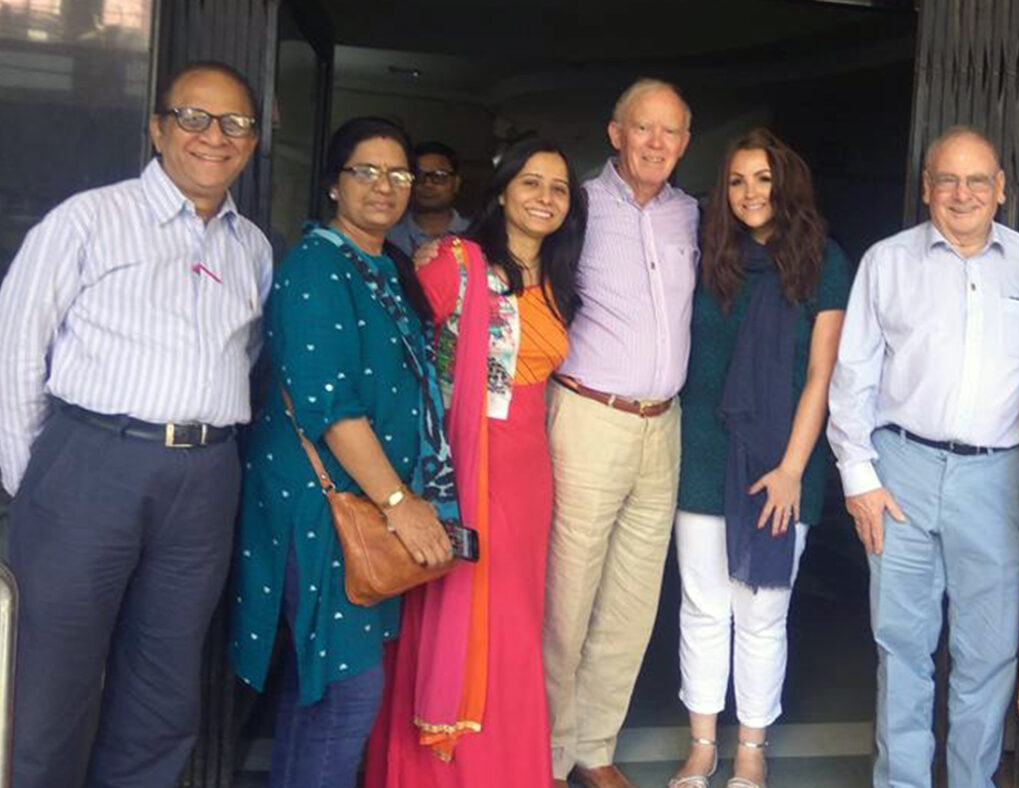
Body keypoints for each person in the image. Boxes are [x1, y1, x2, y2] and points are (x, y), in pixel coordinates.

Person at [0, 61, 271, 788]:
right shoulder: (88, 219)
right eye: (194, 118)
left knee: (164, 683)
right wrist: (44, 485)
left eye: (235, 123)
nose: (214, 137)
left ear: (251, 141)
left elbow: (240, 358)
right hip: (91, 464)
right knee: (47, 681)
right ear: (158, 128)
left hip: (205, 477)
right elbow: (14, 349)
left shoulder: (253, 248)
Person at [826, 126, 1019, 788]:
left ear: (1001, 189)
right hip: (899, 470)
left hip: (997, 477)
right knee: (902, 644)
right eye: (947, 180)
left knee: (987, 651)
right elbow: (853, 375)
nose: (961, 194)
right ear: (926, 189)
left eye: (976, 181)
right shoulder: (888, 261)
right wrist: (859, 478)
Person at [228, 116, 455, 788]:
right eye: (367, 171)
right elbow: (332, 409)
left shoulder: (383, 266)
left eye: (399, 174)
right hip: (324, 507)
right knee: (346, 693)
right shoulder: (316, 268)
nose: (385, 186)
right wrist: (401, 504)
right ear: (334, 183)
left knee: (319, 690)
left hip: (362, 503)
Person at [365, 138, 585, 788]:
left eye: (559, 188)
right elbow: (398, 349)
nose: (544, 198)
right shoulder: (459, 263)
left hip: (530, 473)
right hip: (464, 469)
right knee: (462, 616)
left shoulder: (561, 279)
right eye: (531, 183)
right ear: (502, 192)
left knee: (516, 629)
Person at [669, 129, 850, 788]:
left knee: (762, 610)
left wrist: (793, 470)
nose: (750, 192)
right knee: (703, 607)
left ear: (786, 184)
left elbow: (821, 376)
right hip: (705, 454)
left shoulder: (822, 260)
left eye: (763, 179)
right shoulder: (708, 253)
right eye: (738, 180)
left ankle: (750, 748)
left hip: (784, 460)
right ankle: (701, 744)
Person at [544, 77, 698, 788]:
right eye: (645, 128)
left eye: (671, 132)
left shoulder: (694, 216)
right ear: (616, 133)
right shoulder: (570, 204)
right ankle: (544, 754)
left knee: (634, 600)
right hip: (587, 418)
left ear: (685, 143)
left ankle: (594, 748)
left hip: (662, 426)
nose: (657, 144)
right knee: (566, 597)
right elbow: (504, 254)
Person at [386, 140, 471, 257]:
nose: (428, 184)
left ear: (456, 183)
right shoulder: (388, 238)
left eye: (439, 176)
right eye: (418, 176)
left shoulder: (476, 233)